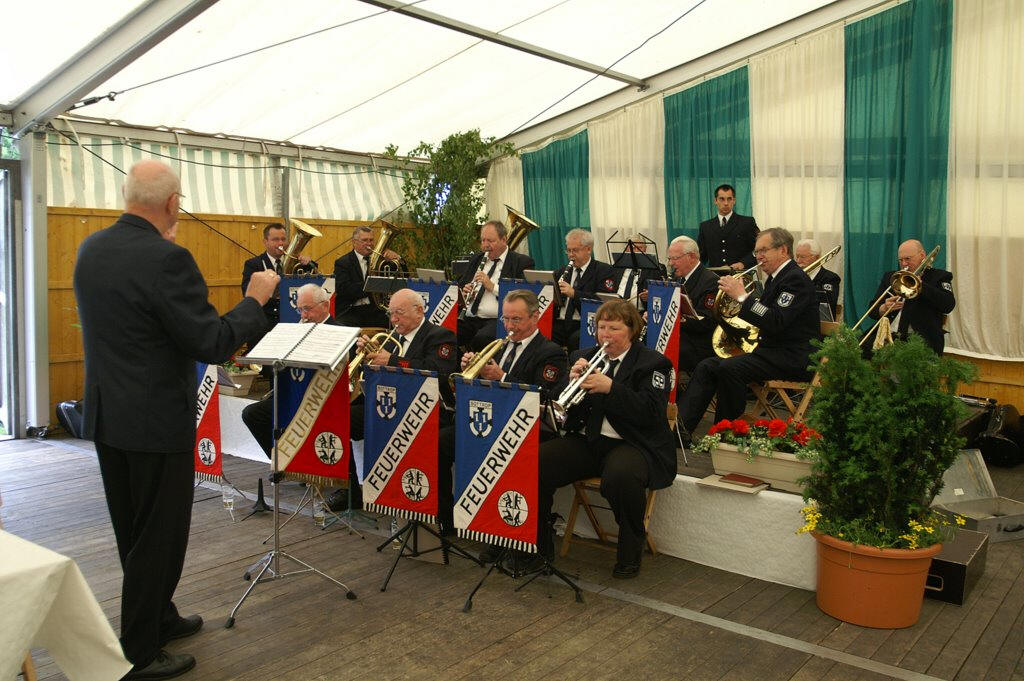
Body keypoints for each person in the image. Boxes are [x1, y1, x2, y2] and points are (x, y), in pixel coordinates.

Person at [73, 160, 279, 680]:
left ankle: (158, 616)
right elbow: (211, 341)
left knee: (133, 529)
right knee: (159, 535)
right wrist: (254, 301)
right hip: (155, 419)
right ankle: (141, 649)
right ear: (172, 203)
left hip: (108, 415)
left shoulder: (91, 249)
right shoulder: (167, 259)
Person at [535, 299, 676, 579]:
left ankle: (630, 552)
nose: (605, 335)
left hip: (632, 443)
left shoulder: (654, 363)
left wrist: (611, 388)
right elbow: (560, 402)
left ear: (632, 330)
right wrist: (569, 381)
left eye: (614, 328)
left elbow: (650, 412)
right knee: (536, 463)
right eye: (601, 327)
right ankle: (538, 547)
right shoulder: (583, 355)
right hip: (589, 440)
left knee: (621, 477)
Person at [437, 290, 567, 536]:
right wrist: (472, 371)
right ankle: (447, 518)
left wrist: (502, 377)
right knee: (440, 442)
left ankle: (516, 534)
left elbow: (546, 396)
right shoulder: (499, 346)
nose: (509, 326)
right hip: (489, 421)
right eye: (505, 319)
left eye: (516, 319)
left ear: (535, 317)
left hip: (522, 428)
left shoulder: (550, 352)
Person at [678, 227, 818, 438]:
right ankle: (680, 431)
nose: (758, 256)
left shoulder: (795, 279)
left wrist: (743, 297)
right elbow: (763, 317)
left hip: (791, 357)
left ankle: (725, 433)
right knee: (707, 365)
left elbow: (776, 321)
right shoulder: (776, 278)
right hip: (770, 352)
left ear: (783, 250)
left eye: (764, 250)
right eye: (756, 252)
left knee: (730, 368)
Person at [326, 288, 458, 511]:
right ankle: (350, 490)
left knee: (436, 443)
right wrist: (367, 356)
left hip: (426, 412)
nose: (394, 319)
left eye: (399, 313)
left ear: (419, 311)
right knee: (338, 419)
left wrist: (393, 361)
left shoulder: (439, 336)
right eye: (391, 313)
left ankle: (442, 513)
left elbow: (437, 371)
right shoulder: (391, 338)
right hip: (389, 407)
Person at [241, 284, 339, 459]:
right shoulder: (294, 331)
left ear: (325, 306)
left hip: (321, 398)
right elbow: (272, 370)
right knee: (252, 414)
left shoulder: (340, 330)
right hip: (292, 395)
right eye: (300, 310)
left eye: (307, 309)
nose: (303, 316)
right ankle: (282, 459)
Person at [865, 239, 954, 354]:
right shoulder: (892, 277)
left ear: (922, 255)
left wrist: (922, 287)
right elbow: (872, 310)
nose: (903, 264)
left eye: (908, 259)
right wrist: (883, 308)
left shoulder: (939, 276)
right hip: (887, 336)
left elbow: (948, 305)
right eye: (900, 260)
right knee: (857, 351)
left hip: (920, 340)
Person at [457, 220, 534, 351]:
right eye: (483, 240)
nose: (485, 245)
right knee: (446, 333)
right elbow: (461, 285)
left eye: (490, 241)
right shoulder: (476, 259)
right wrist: (464, 293)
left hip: (498, 320)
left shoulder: (521, 262)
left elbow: (522, 297)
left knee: (481, 339)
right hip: (469, 318)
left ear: (504, 240)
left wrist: (492, 287)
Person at [552, 229, 617, 351]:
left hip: (584, 322)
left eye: (575, 250)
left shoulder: (603, 270)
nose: (571, 255)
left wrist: (574, 293)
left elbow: (603, 301)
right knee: (542, 333)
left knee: (575, 339)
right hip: (560, 321)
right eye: (568, 250)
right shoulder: (561, 271)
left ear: (588, 249)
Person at [666, 235, 720, 375]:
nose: (671, 263)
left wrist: (673, 319)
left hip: (698, 343)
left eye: (675, 258)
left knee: (660, 349)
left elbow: (706, 322)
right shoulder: (678, 278)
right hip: (682, 335)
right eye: (669, 258)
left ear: (691, 256)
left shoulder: (711, 281)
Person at [333, 224, 398, 329]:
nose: (369, 244)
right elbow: (343, 289)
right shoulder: (343, 262)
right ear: (354, 242)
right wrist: (371, 285)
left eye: (371, 240)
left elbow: (399, 275)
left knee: (394, 324)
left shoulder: (381, 261)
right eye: (364, 240)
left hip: (374, 310)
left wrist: (396, 259)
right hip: (350, 310)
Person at [696, 184, 759, 271]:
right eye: (722, 199)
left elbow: (759, 249)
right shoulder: (705, 227)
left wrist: (743, 263)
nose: (726, 203)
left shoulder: (747, 223)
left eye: (729, 199)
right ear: (715, 201)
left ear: (734, 200)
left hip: (740, 274)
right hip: (715, 276)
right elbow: (701, 256)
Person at [612, 234, 665, 311]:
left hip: (641, 312)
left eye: (640, 248)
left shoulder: (656, 268)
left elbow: (663, 292)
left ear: (645, 248)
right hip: (617, 310)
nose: (636, 251)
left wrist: (652, 294)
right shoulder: (617, 267)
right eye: (633, 248)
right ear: (626, 250)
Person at [794, 238, 841, 319]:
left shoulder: (830, 278)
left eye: (802, 257)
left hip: (818, 322)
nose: (798, 261)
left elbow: (828, 304)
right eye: (797, 256)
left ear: (817, 257)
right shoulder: (795, 276)